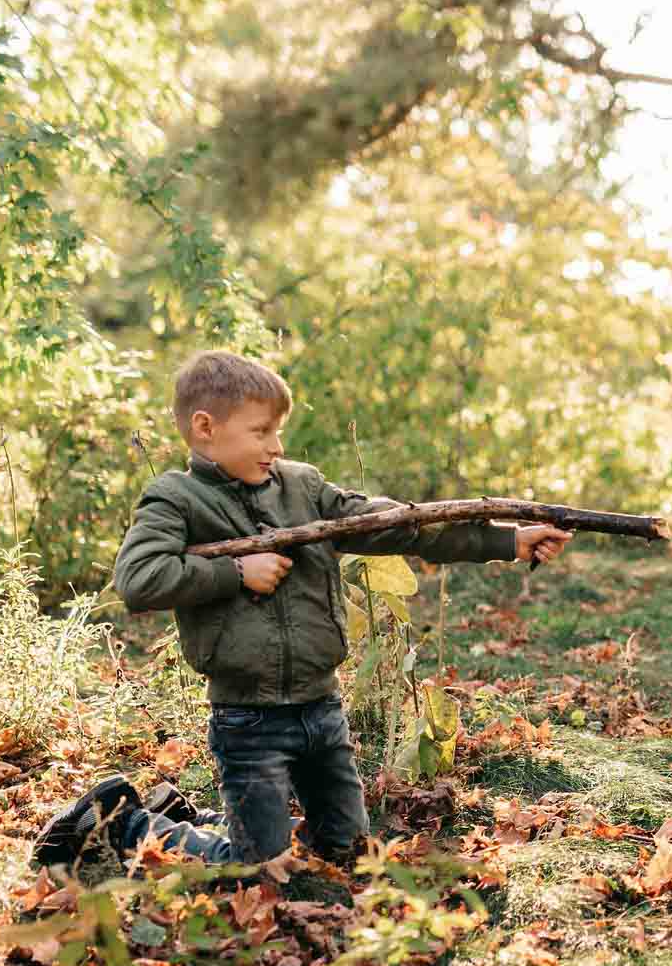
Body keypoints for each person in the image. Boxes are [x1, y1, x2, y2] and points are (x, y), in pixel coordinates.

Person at [33, 349, 571, 872]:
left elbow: (393, 525)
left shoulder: (302, 486)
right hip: (249, 718)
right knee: (256, 865)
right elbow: (138, 579)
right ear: (205, 428)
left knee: (344, 848)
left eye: (277, 431)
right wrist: (235, 573)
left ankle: (198, 818)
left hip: (321, 706)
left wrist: (508, 540)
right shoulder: (177, 498)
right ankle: (124, 823)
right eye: (260, 431)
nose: (275, 444)